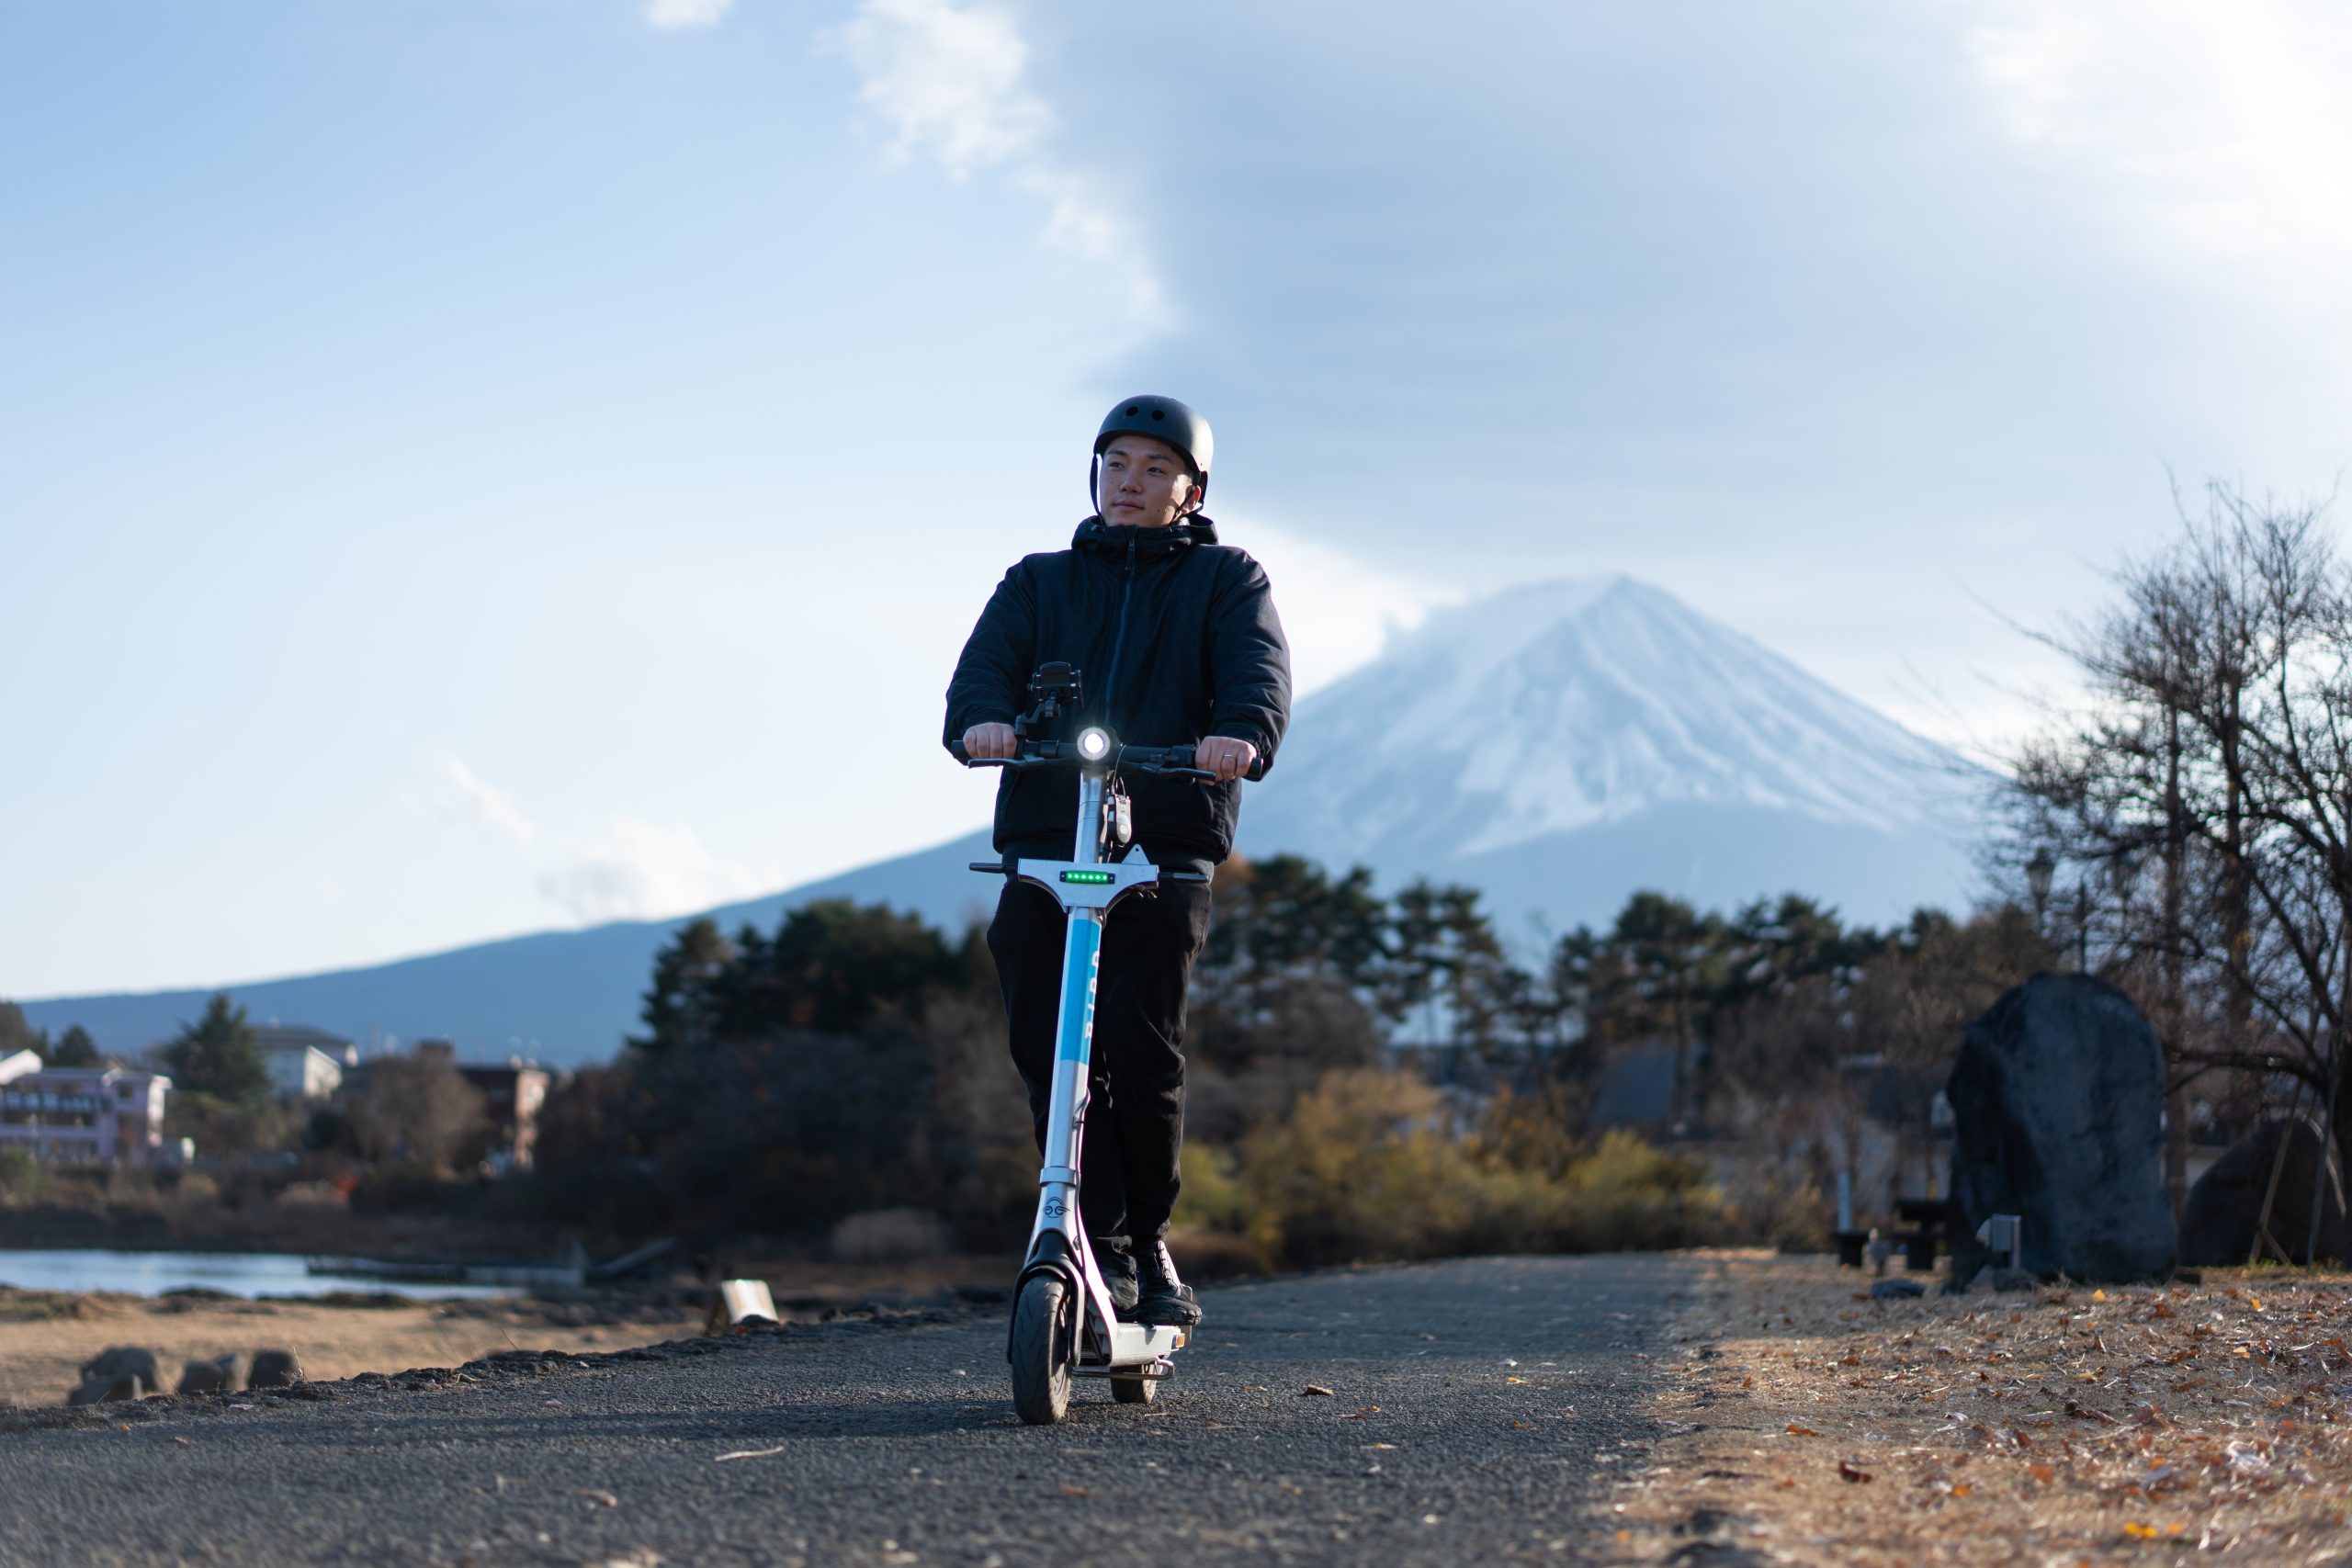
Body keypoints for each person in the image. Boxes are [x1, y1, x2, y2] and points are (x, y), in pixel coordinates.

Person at [943, 395, 1291, 1327]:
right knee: (1050, 1046)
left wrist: (1239, 733)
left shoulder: (1226, 579)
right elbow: (981, 676)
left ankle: (1143, 1238)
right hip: (1047, 836)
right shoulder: (1039, 582)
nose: (1129, 482)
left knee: (1140, 1049)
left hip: (1163, 841)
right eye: (1116, 463)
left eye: (1153, 468)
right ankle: (1085, 1229)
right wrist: (984, 722)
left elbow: (1257, 675)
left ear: (1191, 490)